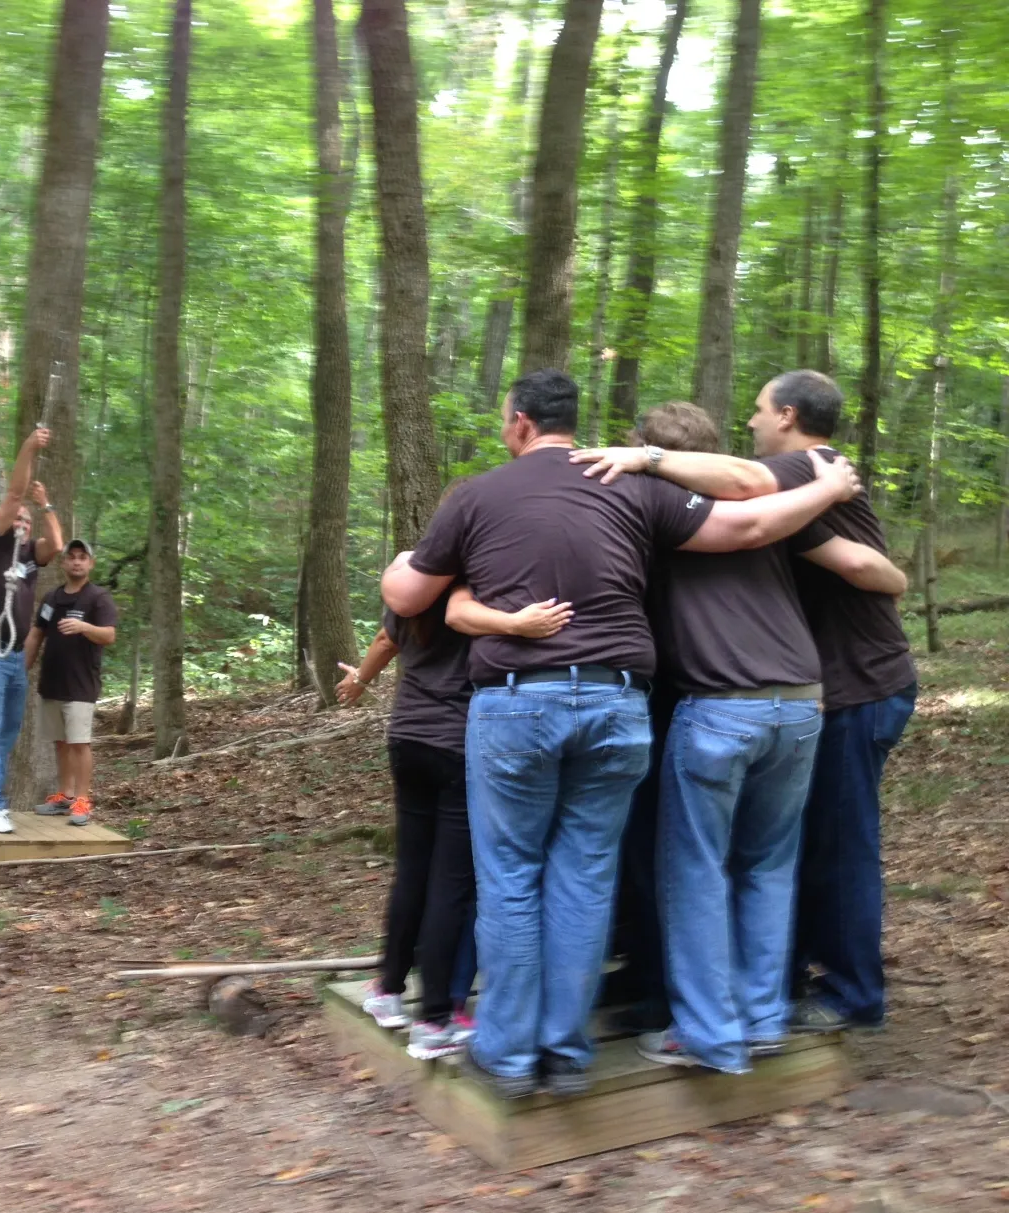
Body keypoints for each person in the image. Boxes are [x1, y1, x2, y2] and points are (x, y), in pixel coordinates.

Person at [382, 368, 862, 1099]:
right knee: (585, 875)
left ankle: (508, 1055)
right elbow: (749, 522)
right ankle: (565, 1052)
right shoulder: (631, 485)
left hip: (516, 705)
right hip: (617, 704)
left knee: (512, 877)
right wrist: (825, 489)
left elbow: (409, 594)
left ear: (519, 423)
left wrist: (407, 570)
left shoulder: (479, 495)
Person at [571, 370, 919, 1034]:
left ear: (787, 415)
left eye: (759, 410)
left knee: (834, 845)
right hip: (816, 688)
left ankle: (848, 993)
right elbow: (855, 561)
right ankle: (773, 988)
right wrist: (890, 574)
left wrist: (642, 458)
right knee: (786, 849)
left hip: (854, 684)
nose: (751, 421)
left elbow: (832, 546)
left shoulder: (801, 469)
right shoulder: (787, 497)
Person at [337, 568, 572, 1062]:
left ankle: (388, 990)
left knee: (412, 872)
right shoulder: (494, 593)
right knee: (452, 885)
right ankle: (435, 1019)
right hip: (460, 745)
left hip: (408, 737)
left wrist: (359, 679)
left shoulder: (415, 587)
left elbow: (385, 639)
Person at [0, 427, 63, 833]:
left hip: (15, 656)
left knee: (7, 729)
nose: (22, 521)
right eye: (17, 516)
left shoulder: (29, 556)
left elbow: (56, 545)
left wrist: (46, 505)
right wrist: (28, 447)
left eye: (27, 519)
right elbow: (14, 494)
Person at [23, 539, 118, 826]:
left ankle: (82, 800)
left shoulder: (98, 598)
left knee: (79, 743)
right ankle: (65, 796)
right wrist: (21, 669)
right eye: (72, 557)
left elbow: (109, 635)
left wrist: (84, 627)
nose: (77, 561)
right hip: (52, 682)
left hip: (81, 684)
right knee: (61, 741)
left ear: (91, 563)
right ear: (63, 563)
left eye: (82, 557)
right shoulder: (51, 598)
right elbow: (37, 634)